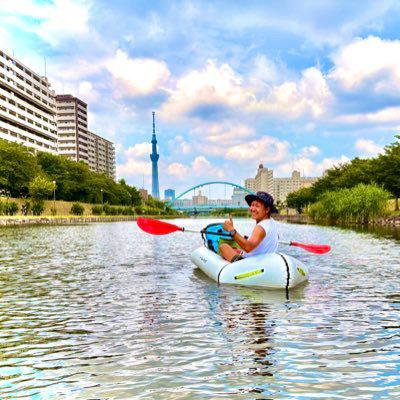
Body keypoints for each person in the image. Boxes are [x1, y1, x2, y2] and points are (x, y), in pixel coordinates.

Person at [220, 191, 279, 262]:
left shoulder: (261, 227)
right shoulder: (272, 222)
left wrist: (231, 229)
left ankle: (237, 263)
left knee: (223, 247)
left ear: (267, 209)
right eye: (252, 205)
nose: (252, 209)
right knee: (235, 249)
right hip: (265, 261)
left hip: (252, 264)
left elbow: (248, 247)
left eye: (257, 206)